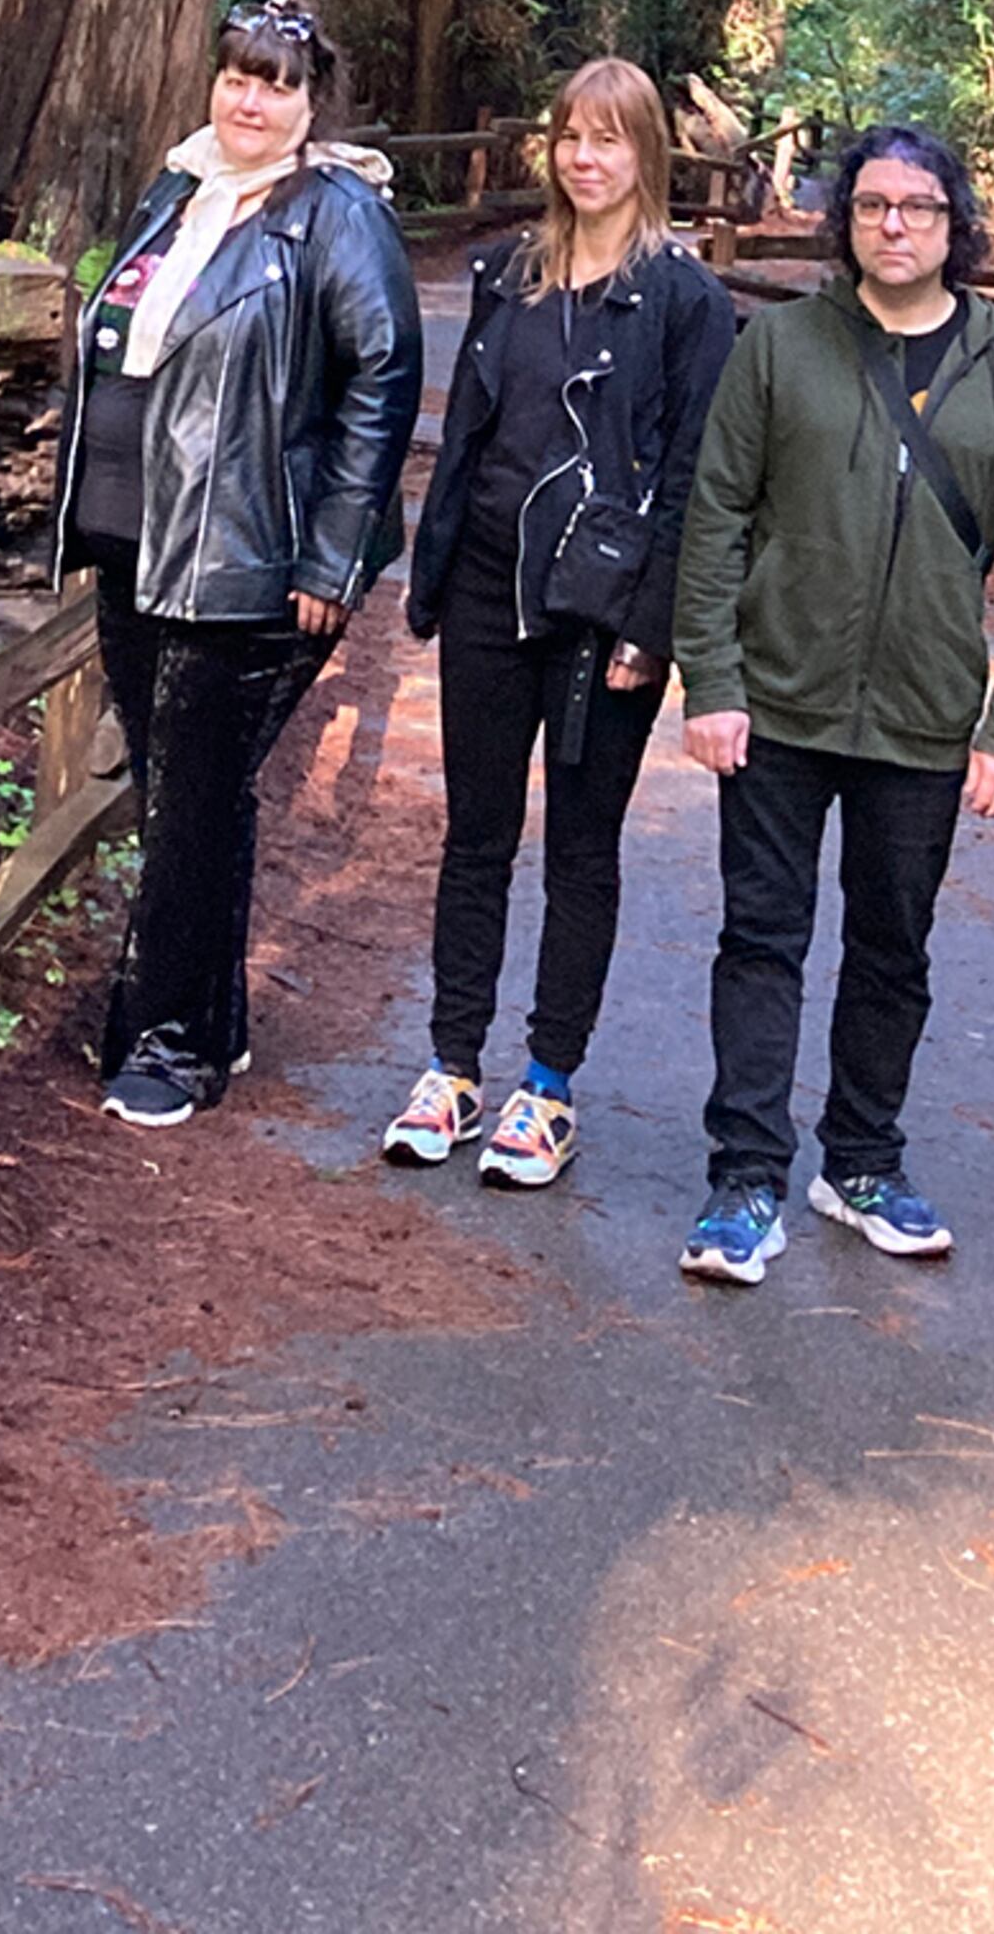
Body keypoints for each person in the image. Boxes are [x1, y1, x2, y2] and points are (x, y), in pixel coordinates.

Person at [670, 119, 994, 1285]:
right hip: (780, 704)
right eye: (873, 205)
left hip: (925, 715)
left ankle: (862, 1160)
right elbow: (717, 519)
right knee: (761, 937)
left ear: (957, 223)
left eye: (920, 206)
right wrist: (716, 679)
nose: (895, 224)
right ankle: (744, 1177)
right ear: (845, 220)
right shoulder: (783, 346)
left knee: (892, 946)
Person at [57, 0, 421, 1131]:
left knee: (194, 794)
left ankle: (165, 1040)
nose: (248, 98)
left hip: (248, 562)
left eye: (275, 81)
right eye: (237, 74)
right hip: (136, 545)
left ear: (314, 104)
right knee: (184, 790)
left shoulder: (336, 216)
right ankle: (204, 1013)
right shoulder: (177, 190)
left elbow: (382, 384)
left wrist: (332, 556)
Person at [379, 59, 738, 1190]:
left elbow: (693, 476)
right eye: (571, 138)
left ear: (648, 155)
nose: (586, 159)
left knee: (581, 847)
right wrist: (431, 576)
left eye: (610, 140)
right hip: (493, 589)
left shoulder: (686, 301)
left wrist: (653, 626)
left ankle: (548, 1081)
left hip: (601, 615)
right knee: (475, 834)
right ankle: (452, 1063)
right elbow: (470, 439)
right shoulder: (507, 276)